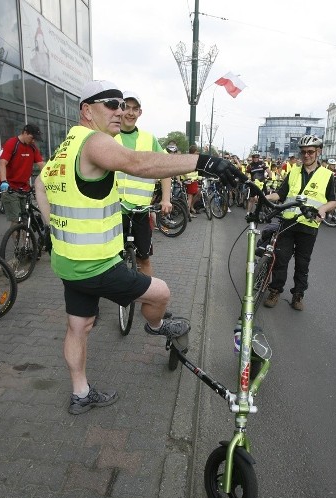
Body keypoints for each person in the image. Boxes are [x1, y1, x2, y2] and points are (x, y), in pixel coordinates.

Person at [35, 79, 242, 415]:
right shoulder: (94, 142)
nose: (119, 111)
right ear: (87, 110)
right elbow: (139, 164)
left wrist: (51, 227)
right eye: (110, 104)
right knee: (160, 293)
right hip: (96, 266)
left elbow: (39, 185)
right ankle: (156, 326)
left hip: (67, 262)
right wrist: (203, 162)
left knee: (79, 326)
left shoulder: (65, 148)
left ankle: (80, 393)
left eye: (121, 104)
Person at [262, 135, 336, 311]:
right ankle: (275, 291)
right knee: (280, 259)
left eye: (310, 151)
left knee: (302, 264)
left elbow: (333, 200)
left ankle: (298, 295)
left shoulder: (327, 175)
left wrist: (323, 209)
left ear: (318, 152)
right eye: (303, 152)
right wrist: (264, 196)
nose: (306, 155)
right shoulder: (294, 171)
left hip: (309, 225)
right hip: (288, 222)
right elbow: (281, 194)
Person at [114, 91, 171, 277]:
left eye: (135, 109)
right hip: (113, 211)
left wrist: (166, 199)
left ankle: (149, 299)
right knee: (108, 261)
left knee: (144, 259)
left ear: (140, 113)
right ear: (120, 110)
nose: (130, 112)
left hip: (141, 211)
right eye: (126, 107)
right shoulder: (107, 136)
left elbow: (165, 169)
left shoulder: (149, 139)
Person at [0, 124, 44, 226]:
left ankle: (26, 242)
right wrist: (4, 181)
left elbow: (41, 164)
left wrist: (49, 178)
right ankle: (17, 242)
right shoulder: (12, 143)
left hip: (25, 188)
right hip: (11, 188)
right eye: (32, 138)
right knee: (16, 220)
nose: (33, 141)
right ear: (25, 133)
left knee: (26, 220)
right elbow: (2, 163)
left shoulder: (32, 147)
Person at [184, 144, 201, 217]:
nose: (198, 153)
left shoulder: (195, 159)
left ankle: (191, 207)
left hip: (194, 180)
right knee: (190, 197)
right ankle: (188, 212)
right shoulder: (189, 159)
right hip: (190, 180)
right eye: (197, 151)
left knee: (199, 193)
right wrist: (187, 178)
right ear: (194, 152)